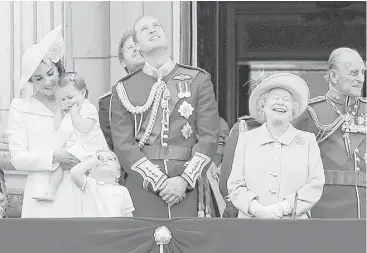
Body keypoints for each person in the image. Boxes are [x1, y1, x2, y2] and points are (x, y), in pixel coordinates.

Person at [110, 16, 219, 218]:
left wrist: (184, 180)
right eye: (144, 29)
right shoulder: (123, 89)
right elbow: (123, 145)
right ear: (136, 45)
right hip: (143, 189)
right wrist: (159, 182)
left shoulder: (198, 80)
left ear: (166, 36)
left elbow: (209, 137)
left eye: (156, 26)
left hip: (188, 188)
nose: (152, 30)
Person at [7, 26, 82, 218]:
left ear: (58, 68)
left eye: (50, 73)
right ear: (31, 81)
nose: (47, 81)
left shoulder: (77, 101)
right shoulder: (21, 107)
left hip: (79, 187)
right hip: (41, 194)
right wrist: (54, 157)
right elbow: (17, 158)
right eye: (39, 78)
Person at [227, 72, 325, 219]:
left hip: (294, 225)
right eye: (275, 98)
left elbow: (315, 184)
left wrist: (284, 207)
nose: (281, 103)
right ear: (262, 105)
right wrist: (256, 209)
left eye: (286, 100)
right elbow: (235, 185)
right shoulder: (246, 139)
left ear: (294, 109)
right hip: (251, 225)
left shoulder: (307, 141)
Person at [295, 47, 366, 219]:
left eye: (363, 73)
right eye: (354, 73)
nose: (361, 79)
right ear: (333, 76)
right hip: (326, 211)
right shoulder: (312, 112)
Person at [32, 72, 108, 201]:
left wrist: (74, 115)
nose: (67, 102)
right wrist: (60, 111)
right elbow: (57, 125)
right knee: (58, 164)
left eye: (70, 97)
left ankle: (94, 194)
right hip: (77, 147)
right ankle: (51, 190)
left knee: (87, 171)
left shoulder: (88, 108)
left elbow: (84, 128)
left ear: (83, 93)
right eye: (63, 99)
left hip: (89, 147)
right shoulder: (67, 110)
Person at [99, 30, 145, 151]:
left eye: (139, 45)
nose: (136, 49)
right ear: (123, 61)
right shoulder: (108, 102)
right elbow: (110, 147)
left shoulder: (168, 92)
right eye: (130, 47)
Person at [71, 149, 135, 217]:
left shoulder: (123, 190)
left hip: (115, 226)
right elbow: (74, 172)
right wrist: (93, 161)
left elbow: (128, 216)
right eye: (100, 159)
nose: (105, 161)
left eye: (110, 159)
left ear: (118, 173)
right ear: (91, 173)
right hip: (93, 226)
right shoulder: (89, 184)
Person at [206, 117, 230, 217]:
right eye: (217, 132)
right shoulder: (199, 173)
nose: (222, 136)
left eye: (226, 133)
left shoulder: (232, 172)